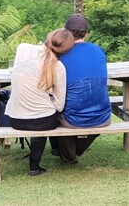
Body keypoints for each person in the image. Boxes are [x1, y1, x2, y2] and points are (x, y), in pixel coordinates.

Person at [4, 29, 75, 176]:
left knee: (43, 115)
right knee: (51, 116)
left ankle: (40, 161)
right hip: (41, 121)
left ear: (49, 36)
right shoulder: (59, 67)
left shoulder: (22, 48)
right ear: (66, 50)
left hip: (15, 118)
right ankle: (36, 164)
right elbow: (59, 105)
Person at [53, 14, 111, 164]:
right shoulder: (99, 51)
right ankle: (74, 151)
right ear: (87, 33)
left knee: (52, 110)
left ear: (65, 32)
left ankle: (68, 155)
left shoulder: (61, 54)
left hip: (73, 119)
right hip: (103, 116)